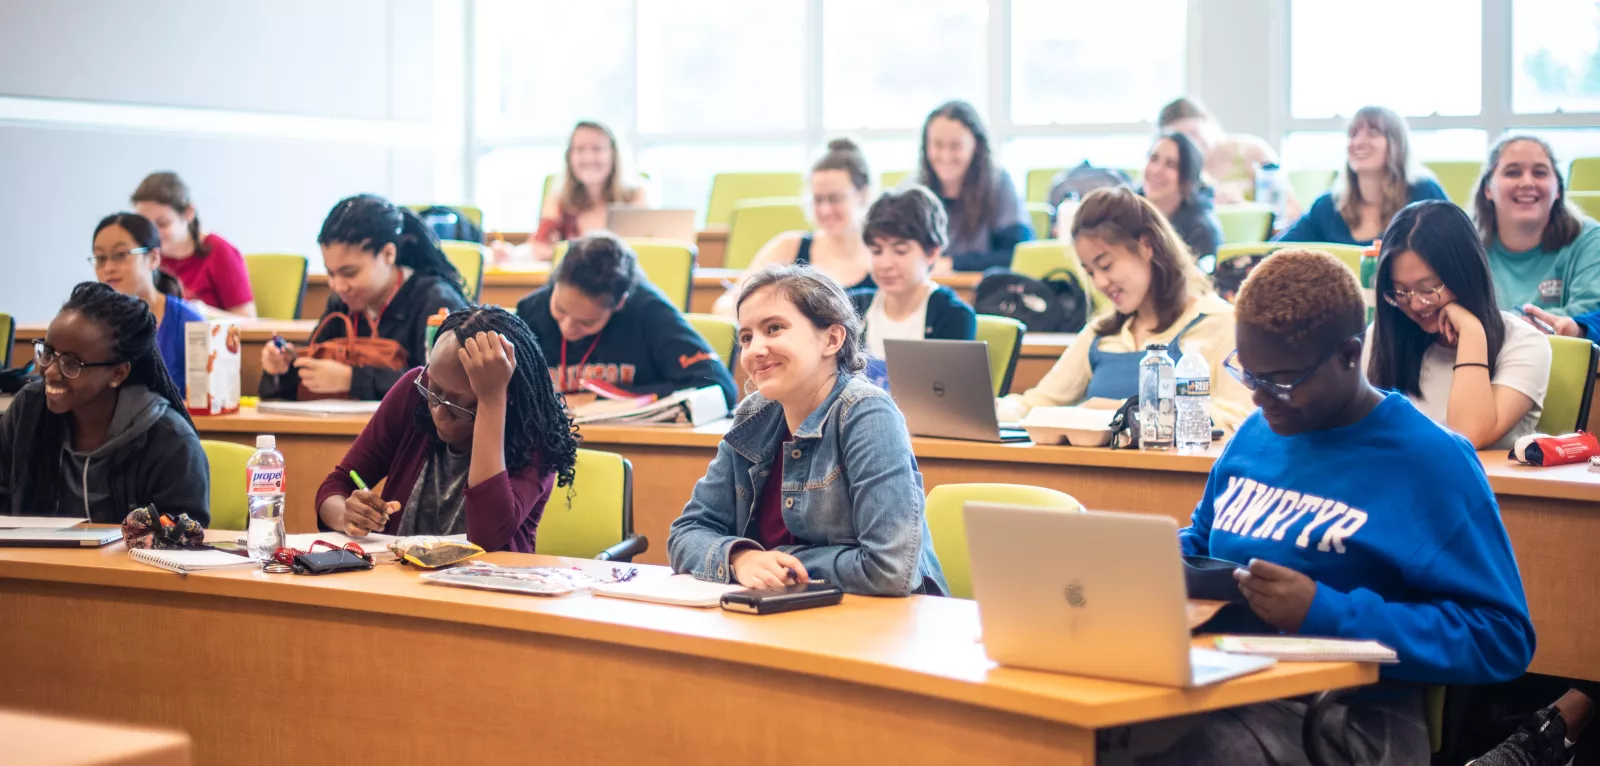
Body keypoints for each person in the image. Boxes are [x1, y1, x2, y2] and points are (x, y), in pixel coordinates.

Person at [1138, 248, 1534, 765]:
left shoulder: (1430, 462)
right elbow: (1203, 541)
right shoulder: (1260, 432)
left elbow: (1501, 637)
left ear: (1350, 354)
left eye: (1281, 381)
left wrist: (1326, 611)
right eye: (1249, 376)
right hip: (1230, 681)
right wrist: (1148, 561)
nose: (1260, 399)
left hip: (1345, 717)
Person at [667, 265, 948, 596]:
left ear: (832, 339)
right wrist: (740, 558)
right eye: (746, 337)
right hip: (781, 613)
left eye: (774, 329)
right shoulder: (753, 413)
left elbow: (891, 568)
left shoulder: (867, 413)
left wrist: (780, 560)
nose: (755, 349)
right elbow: (686, 532)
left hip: (881, 626)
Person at [314, 306, 576, 553]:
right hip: (399, 583)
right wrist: (346, 515)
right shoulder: (413, 392)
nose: (439, 412)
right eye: (434, 392)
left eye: (459, 407)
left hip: (490, 591)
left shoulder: (533, 429)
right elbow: (336, 486)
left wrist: (491, 402)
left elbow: (488, 538)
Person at [996, 187, 1254, 432]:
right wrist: (991, 408)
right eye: (1090, 272)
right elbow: (1037, 403)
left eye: (1106, 265)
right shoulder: (1101, 332)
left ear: (1146, 246)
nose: (1099, 283)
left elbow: (1236, 418)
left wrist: (1125, 411)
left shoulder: (1220, 322)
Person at [0, 283, 209, 524]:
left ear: (118, 373)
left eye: (72, 363)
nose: (50, 372)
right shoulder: (28, 409)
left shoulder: (171, 441)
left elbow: (183, 537)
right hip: (28, 562)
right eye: (47, 352)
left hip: (125, 563)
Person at [1364, 201, 1550, 450]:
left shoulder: (1524, 344)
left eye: (1428, 288)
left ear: (1464, 274)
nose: (1417, 304)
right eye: (1400, 292)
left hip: (1485, 488)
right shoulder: (1382, 334)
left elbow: (1467, 437)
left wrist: (1473, 335)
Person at [260, 195, 470, 401]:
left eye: (349, 273)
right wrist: (282, 369)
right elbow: (307, 377)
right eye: (330, 274)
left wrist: (352, 380)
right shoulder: (341, 304)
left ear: (388, 254)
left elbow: (440, 387)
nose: (338, 286)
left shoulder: (435, 301)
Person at [515, 233, 737, 406]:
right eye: (560, 310)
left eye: (587, 322)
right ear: (554, 283)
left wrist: (609, 400)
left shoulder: (649, 311)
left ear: (620, 303)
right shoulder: (530, 310)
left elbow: (720, 387)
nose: (567, 328)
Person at [712, 138, 875, 316]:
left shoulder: (883, 253)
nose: (825, 209)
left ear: (863, 195)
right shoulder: (789, 246)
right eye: (818, 199)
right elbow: (726, 304)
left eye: (835, 199)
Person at [1274, 106, 1448, 246]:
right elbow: (1274, 253)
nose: (1358, 142)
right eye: (1353, 134)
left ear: (1396, 144)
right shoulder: (1327, 206)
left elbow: (1459, 251)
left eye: (1373, 133)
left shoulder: (1425, 194)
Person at [1474, 134, 1600, 318]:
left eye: (1540, 173)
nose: (1527, 183)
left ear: (1558, 189)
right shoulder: (1464, 245)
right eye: (1512, 172)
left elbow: (1592, 314)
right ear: (1487, 189)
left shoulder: (1589, 240)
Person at [850, 185, 977, 366]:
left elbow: (951, 392)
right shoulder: (854, 308)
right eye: (876, 251)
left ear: (932, 252)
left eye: (900, 251)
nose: (886, 264)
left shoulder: (952, 315)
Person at [90, 213, 206, 399]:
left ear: (153, 258)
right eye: (100, 258)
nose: (108, 267)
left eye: (120, 255)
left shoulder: (189, 322)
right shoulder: (88, 324)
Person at [913, 100, 1033, 272]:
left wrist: (953, 264)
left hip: (986, 292)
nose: (945, 155)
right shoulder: (914, 190)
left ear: (976, 146)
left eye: (956, 146)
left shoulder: (1000, 185)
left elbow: (1017, 254)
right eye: (937, 145)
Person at [520, 121, 649, 262]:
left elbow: (644, 249)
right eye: (580, 149)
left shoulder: (634, 196)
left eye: (597, 149)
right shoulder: (558, 200)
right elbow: (537, 247)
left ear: (613, 154)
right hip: (573, 281)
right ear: (570, 156)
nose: (588, 158)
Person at [131, 171, 256, 317]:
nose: (153, 234)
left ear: (188, 213)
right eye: (146, 225)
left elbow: (248, 320)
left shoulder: (219, 251)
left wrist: (202, 312)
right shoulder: (143, 254)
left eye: (163, 224)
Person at [1157, 97, 1294, 214]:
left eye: (1193, 133)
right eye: (1181, 141)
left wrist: (1242, 208)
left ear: (1206, 120)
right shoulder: (1173, 171)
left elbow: (1289, 209)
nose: (1192, 145)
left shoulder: (1253, 151)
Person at [1140, 132, 1224, 258]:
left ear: (1188, 178)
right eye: (1153, 159)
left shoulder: (1202, 230)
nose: (1156, 170)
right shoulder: (1127, 211)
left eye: (1171, 165)